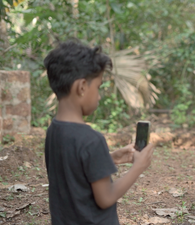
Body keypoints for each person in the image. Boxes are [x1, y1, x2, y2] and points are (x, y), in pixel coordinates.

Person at [44, 40, 154, 225]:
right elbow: (106, 198)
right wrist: (138, 167)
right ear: (81, 87)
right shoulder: (91, 140)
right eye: (98, 87)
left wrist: (110, 158)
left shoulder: (54, 130)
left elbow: (74, 170)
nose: (99, 95)